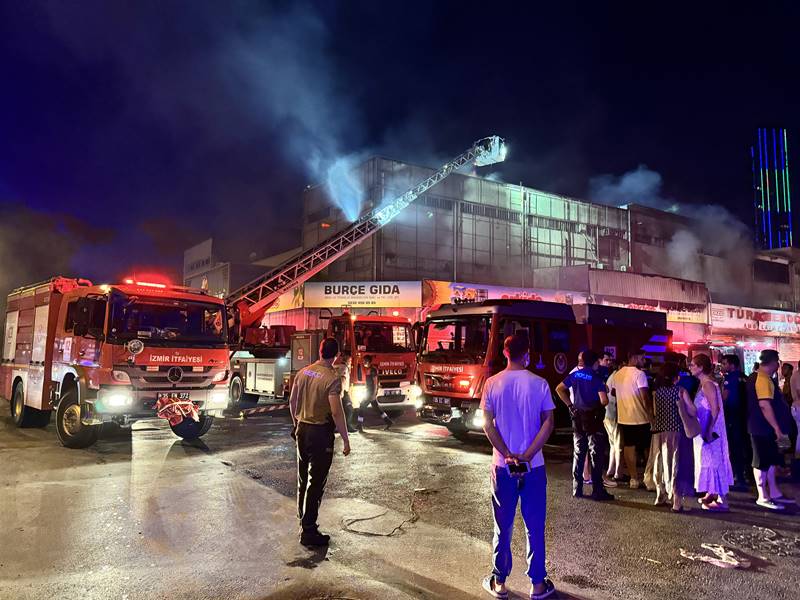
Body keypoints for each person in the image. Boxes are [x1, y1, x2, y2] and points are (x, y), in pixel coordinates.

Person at [480, 334, 556, 600]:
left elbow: (487, 424)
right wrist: (527, 454)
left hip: (502, 466)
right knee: (534, 525)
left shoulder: (492, 383)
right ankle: (537, 584)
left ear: (505, 352)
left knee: (503, 524)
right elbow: (549, 422)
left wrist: (507, 453)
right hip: (533, 466)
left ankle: (500, 582)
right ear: (528, 354)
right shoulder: (540, 383)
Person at [288, 337, 351, 546]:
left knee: (302, 477)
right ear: (336, 355)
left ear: (320, 350)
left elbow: (292, 402)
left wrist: (296, 423)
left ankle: (302, 518)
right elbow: (336, 411)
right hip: (319, 433)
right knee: (316, 482)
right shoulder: (332, 378)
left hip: (302, 430)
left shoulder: (303, 372)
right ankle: (309, 530)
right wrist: (345, 438)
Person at [556, 350, 615, 501]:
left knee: (578, 453)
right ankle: (597, 490)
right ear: (595, 362)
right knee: (596, 454)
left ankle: (577, 488)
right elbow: (604, 401)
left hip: (577, 417)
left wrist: (570, 405)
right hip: (593, 419)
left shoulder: (575, 374)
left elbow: (559, 389)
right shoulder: (596, 378)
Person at [747, 349, 794, 510]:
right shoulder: (762, 379)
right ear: (773, 362)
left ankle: (774, 492)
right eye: (777, 362)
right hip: (762, 428)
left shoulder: (762, 377)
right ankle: (763, 496)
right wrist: (777, 429)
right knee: (761, 462)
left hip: (765, 428)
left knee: (771, 460)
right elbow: (764, 405)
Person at [689, 354, 734, 511]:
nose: (690, 367)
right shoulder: (704, 384)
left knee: (713, 460)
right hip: (704, 427)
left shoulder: (708, 384)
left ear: (701, 367)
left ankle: (722, 498)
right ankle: (712, 491)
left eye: (693, 365)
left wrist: (709, 429)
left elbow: (715, 408)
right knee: (707, 460)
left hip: (710, 429)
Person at [651, 362, 695, 510]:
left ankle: (660, 494)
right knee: (675, 464)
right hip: (675, 431)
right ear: (676, 377)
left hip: (658, 432)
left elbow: (656, 413)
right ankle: (676, 501)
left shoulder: (656, 392)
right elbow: (693, 411)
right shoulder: (680, 391)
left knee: (660, 463)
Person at [607, 354, 652, 489]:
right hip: (641, 417)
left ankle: (633, 478)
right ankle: (648, 478)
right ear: (634, 358)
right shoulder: (640, 374)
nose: (644, 361)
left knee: (628, 447)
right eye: (642, 358)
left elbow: (614, 393)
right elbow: (645, 397)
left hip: (624, 417)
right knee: (646, 448)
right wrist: (651, 415)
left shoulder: (618, 374)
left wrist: (624, 394)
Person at [720, 354, 750, 488]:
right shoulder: (745, 377)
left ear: (732, 365)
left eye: (724, 363)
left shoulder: (729, 378)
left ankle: (738, 477)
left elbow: (725, 397)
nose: (722, 366)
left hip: (732, 415)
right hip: (745, 416)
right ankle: (746, 474)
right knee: (744, 446)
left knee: (734, 447)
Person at [355, 354, 393, 431]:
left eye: (364, 361)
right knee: (376, 409)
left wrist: (373, 394)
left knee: (362, 407)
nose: (363, 362)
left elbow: (375, 383)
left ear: (368, 361)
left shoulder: (373, 370)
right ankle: (388, 421)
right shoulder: (368, 369)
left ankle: (359, 425)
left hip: (370, 393)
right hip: (368, 392)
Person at [333, 352, 357, 433]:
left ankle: (339, 427)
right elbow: (342, 379)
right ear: (347, 360)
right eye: (350, 360)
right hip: (342, 391)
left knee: (341, 409)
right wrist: (342, 391)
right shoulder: (344, 368)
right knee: (350, 409)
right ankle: (347, 426)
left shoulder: (339, 366)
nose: (351, 362)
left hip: (337, 390)